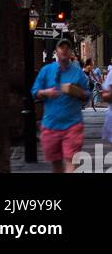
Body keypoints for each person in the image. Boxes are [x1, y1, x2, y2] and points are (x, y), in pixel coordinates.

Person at [32, 38, 90, 173]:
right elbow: (34, 92)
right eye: (61, 47)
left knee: (71, 160)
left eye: (67, 48)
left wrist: (78, 92)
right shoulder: (46, 70)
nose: (64, 50)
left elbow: (87, 95)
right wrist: (46, 92)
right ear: (56, 51)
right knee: (56, 164)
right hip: (51, 125)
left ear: (70, 52)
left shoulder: (78, 72)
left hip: (73, 124)